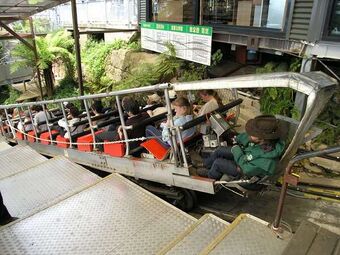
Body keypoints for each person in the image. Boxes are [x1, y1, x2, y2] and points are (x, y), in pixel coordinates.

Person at [197, 115, 286, 180]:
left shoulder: (267, 159)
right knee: (220, 150)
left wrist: (236, 151)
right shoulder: (263, 141)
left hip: (244, 170)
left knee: (218, 163)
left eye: (253, 134)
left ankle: (210, 175)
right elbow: (244, 140)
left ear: (262, 138)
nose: (249, 135)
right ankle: (206, 164)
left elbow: (246, 169)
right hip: (245, 156)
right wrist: (234, 139)